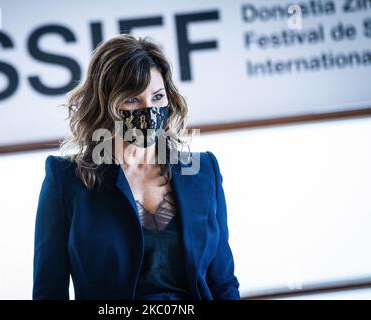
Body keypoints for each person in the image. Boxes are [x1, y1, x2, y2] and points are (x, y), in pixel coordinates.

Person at [32, 34, 240, 300]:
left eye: (157, 97)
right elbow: (49, 291)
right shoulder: (66, 181)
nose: (148, 110)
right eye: (132, 100)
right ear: (106, 104)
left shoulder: (203, 171)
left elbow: (222, 282)